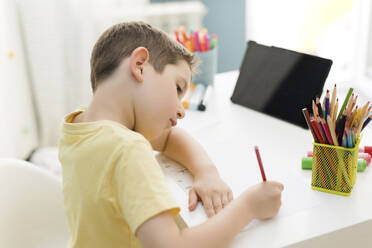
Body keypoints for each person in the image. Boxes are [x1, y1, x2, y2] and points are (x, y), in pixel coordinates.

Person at [58, 21, 284, 248]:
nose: (181, 110)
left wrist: (206, 172)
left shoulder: (79, 126)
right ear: (139, 66)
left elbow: (168, 138)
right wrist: (248, 207)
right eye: (177, 88)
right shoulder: (127, 148)